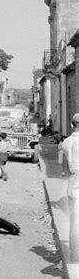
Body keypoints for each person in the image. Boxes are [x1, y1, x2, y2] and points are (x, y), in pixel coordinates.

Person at [59, 113, 79, 263]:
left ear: (72, 125)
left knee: (74, 220)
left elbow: (64, 167)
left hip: (73, 181)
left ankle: (74, 255)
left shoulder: (66, 142)